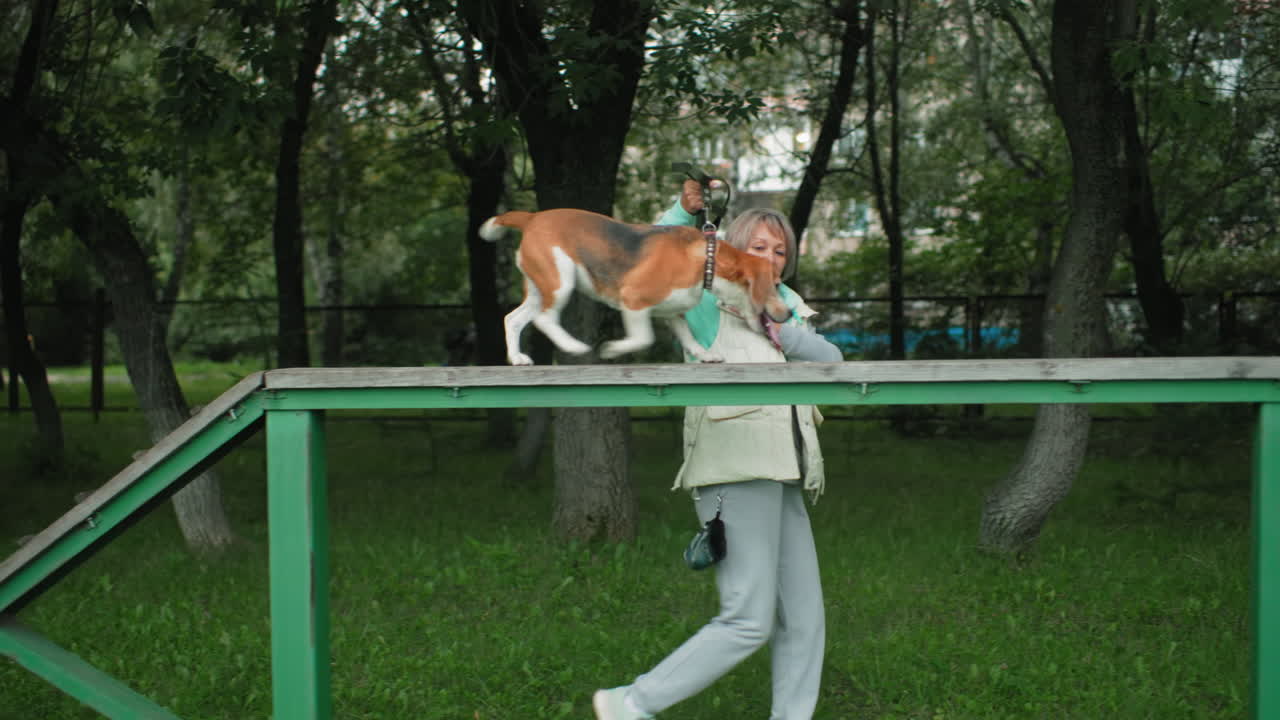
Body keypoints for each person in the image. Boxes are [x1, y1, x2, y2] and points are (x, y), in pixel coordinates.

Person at [593, 180, 843, 720]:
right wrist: (684, 209)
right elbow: (664, 244)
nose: (771, 258)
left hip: (784, 470)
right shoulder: (705, 299)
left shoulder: (787, 306)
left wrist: (781, 328)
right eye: (758, 248)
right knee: (747, 618)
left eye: (780, 251)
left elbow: (832, 360)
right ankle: (630, 703)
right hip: (733, 463)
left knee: (803, 617)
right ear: (730, 251)